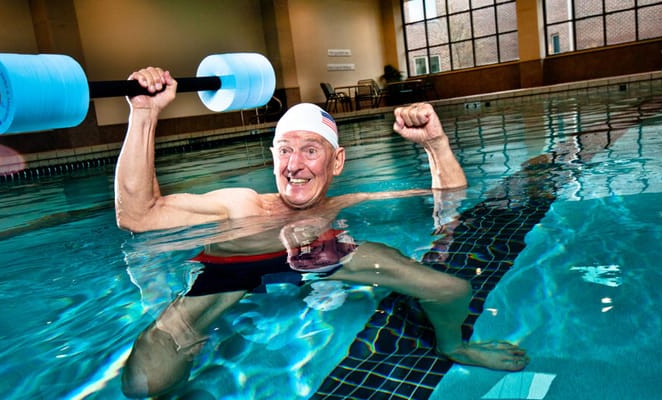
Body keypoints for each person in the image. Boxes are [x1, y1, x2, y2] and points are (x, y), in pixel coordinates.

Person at [114, 67, 529, 398]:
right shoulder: (241, 204)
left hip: (324, 253)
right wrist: (144, 114)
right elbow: (137, 215)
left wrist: (435, 144)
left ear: (337, 161)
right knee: (144, 381)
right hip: (234, 268)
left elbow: (449, 197)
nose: (294, 165)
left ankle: (454, 347)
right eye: (285, 150)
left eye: (310, 150)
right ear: (273, 157)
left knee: (451, 290)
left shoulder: (341, 203)